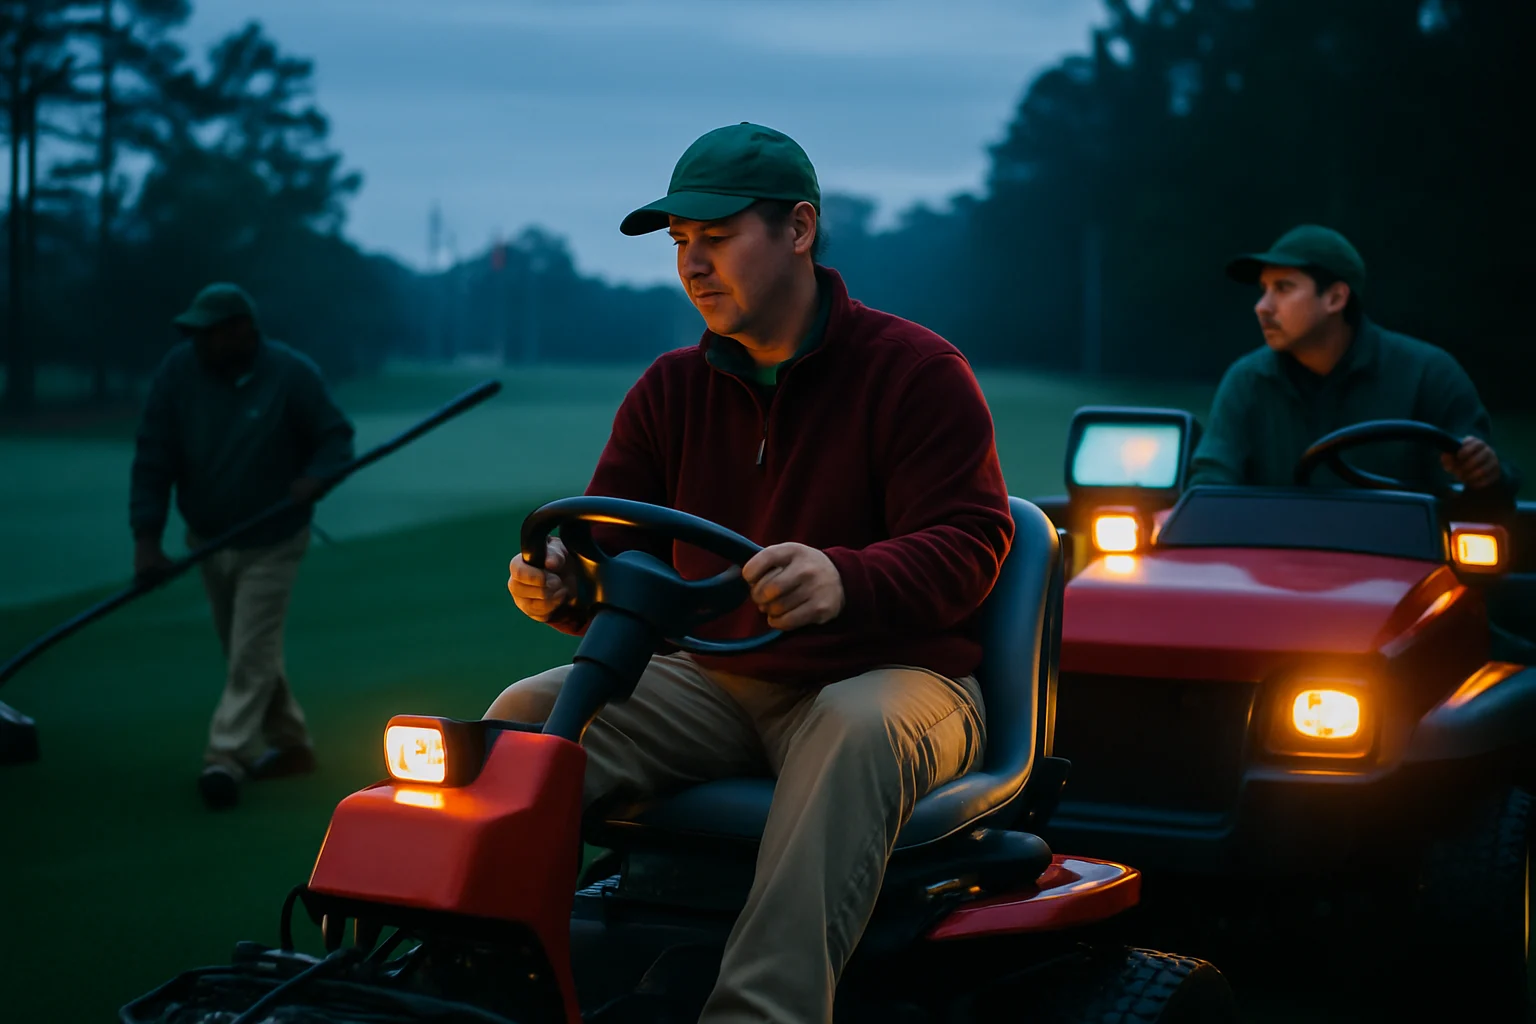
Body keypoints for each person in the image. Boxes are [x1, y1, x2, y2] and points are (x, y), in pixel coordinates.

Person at [487, 123, 1012, 1024]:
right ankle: (489, 985)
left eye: (717, 238)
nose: (692, 264)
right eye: (681, 244)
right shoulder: (670, 388)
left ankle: (761, 1013)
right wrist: (573, 584)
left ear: (799, 230)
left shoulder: (916, 373)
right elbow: (620, 546)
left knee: (853, 727)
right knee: (526, 720)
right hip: (717, 678)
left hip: (897, 679)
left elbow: (971, 543)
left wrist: (847, 579)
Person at [130, 283, 355, 810]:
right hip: (208, 540)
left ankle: (224, 757)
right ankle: (293, 745)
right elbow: (153, 457)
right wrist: (147, 539)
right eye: (194, 332)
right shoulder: (177, 373)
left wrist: (316, 476)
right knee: (244, 649)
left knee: (251, 649)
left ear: (242, 330)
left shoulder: (290, 374)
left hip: (274, 540)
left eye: (208, 332)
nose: (198, 341)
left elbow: (335, 437)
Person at [1189, 224, 1517, 510]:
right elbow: (1209, 488)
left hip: (1397, 569)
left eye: (1283, 288)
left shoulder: (1428, 374)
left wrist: (1485, 475)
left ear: (1335, 298)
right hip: (1273, 571)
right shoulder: (1247, 381)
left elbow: (1483, 504)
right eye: (1264, 290)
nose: (1262, 307)